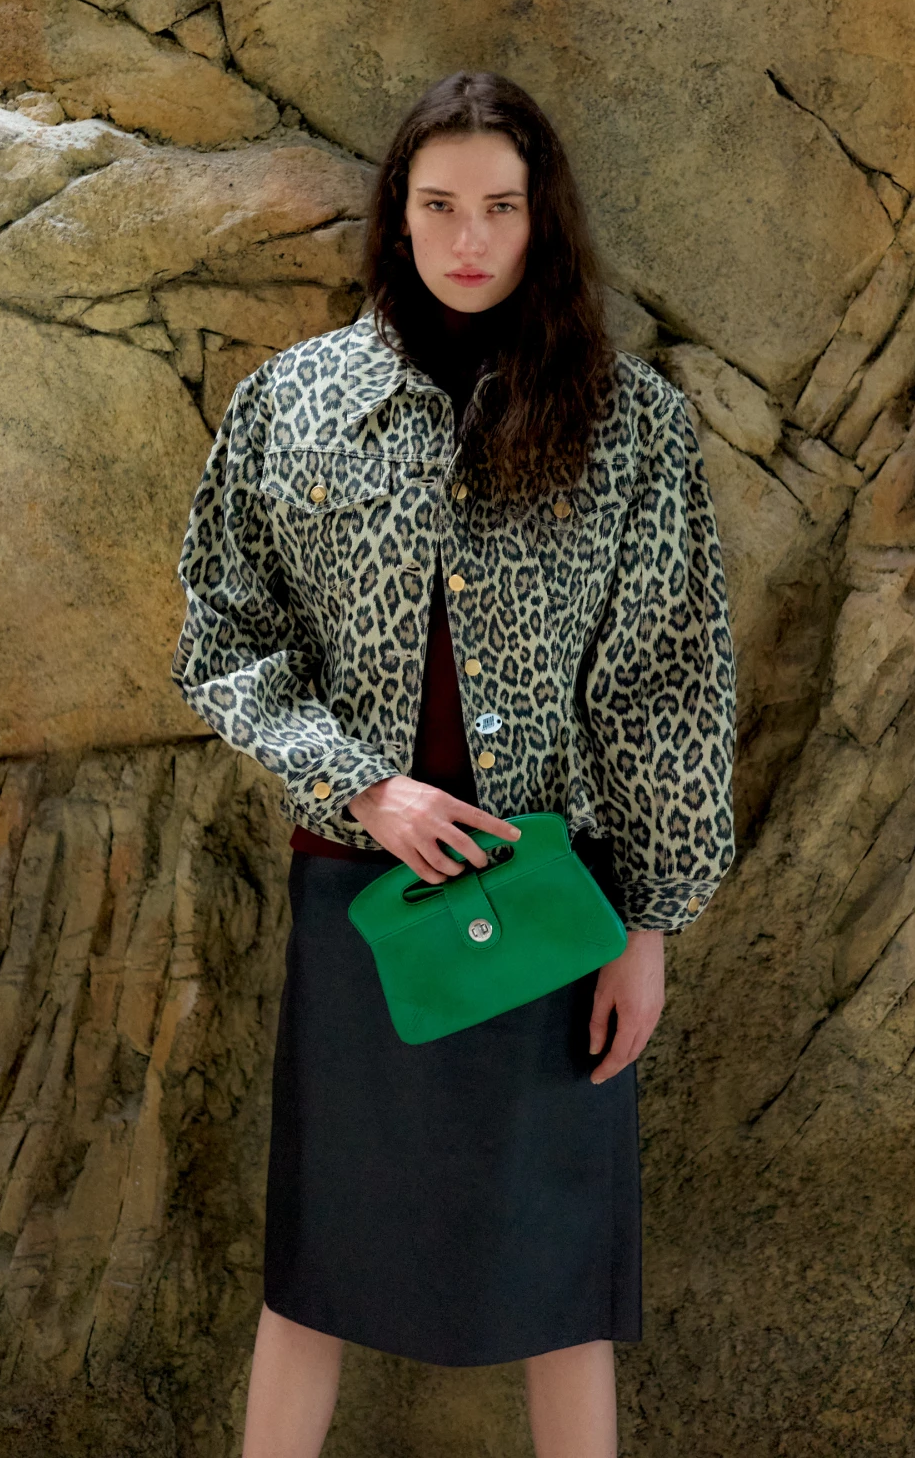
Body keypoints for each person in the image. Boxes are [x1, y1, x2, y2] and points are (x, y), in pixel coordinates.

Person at [171, 70, 736, 1458]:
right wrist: (367, 782)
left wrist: (649, 927)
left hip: (557, 915)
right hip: (357, 906)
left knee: (563, 1286)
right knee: (315, 1269)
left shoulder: (633, 427)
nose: (469, 237)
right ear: (397, 217)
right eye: (439, 206)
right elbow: (223, 645)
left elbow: (671, 689)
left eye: (500, 206)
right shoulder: (291, 407)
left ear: (542, 221)